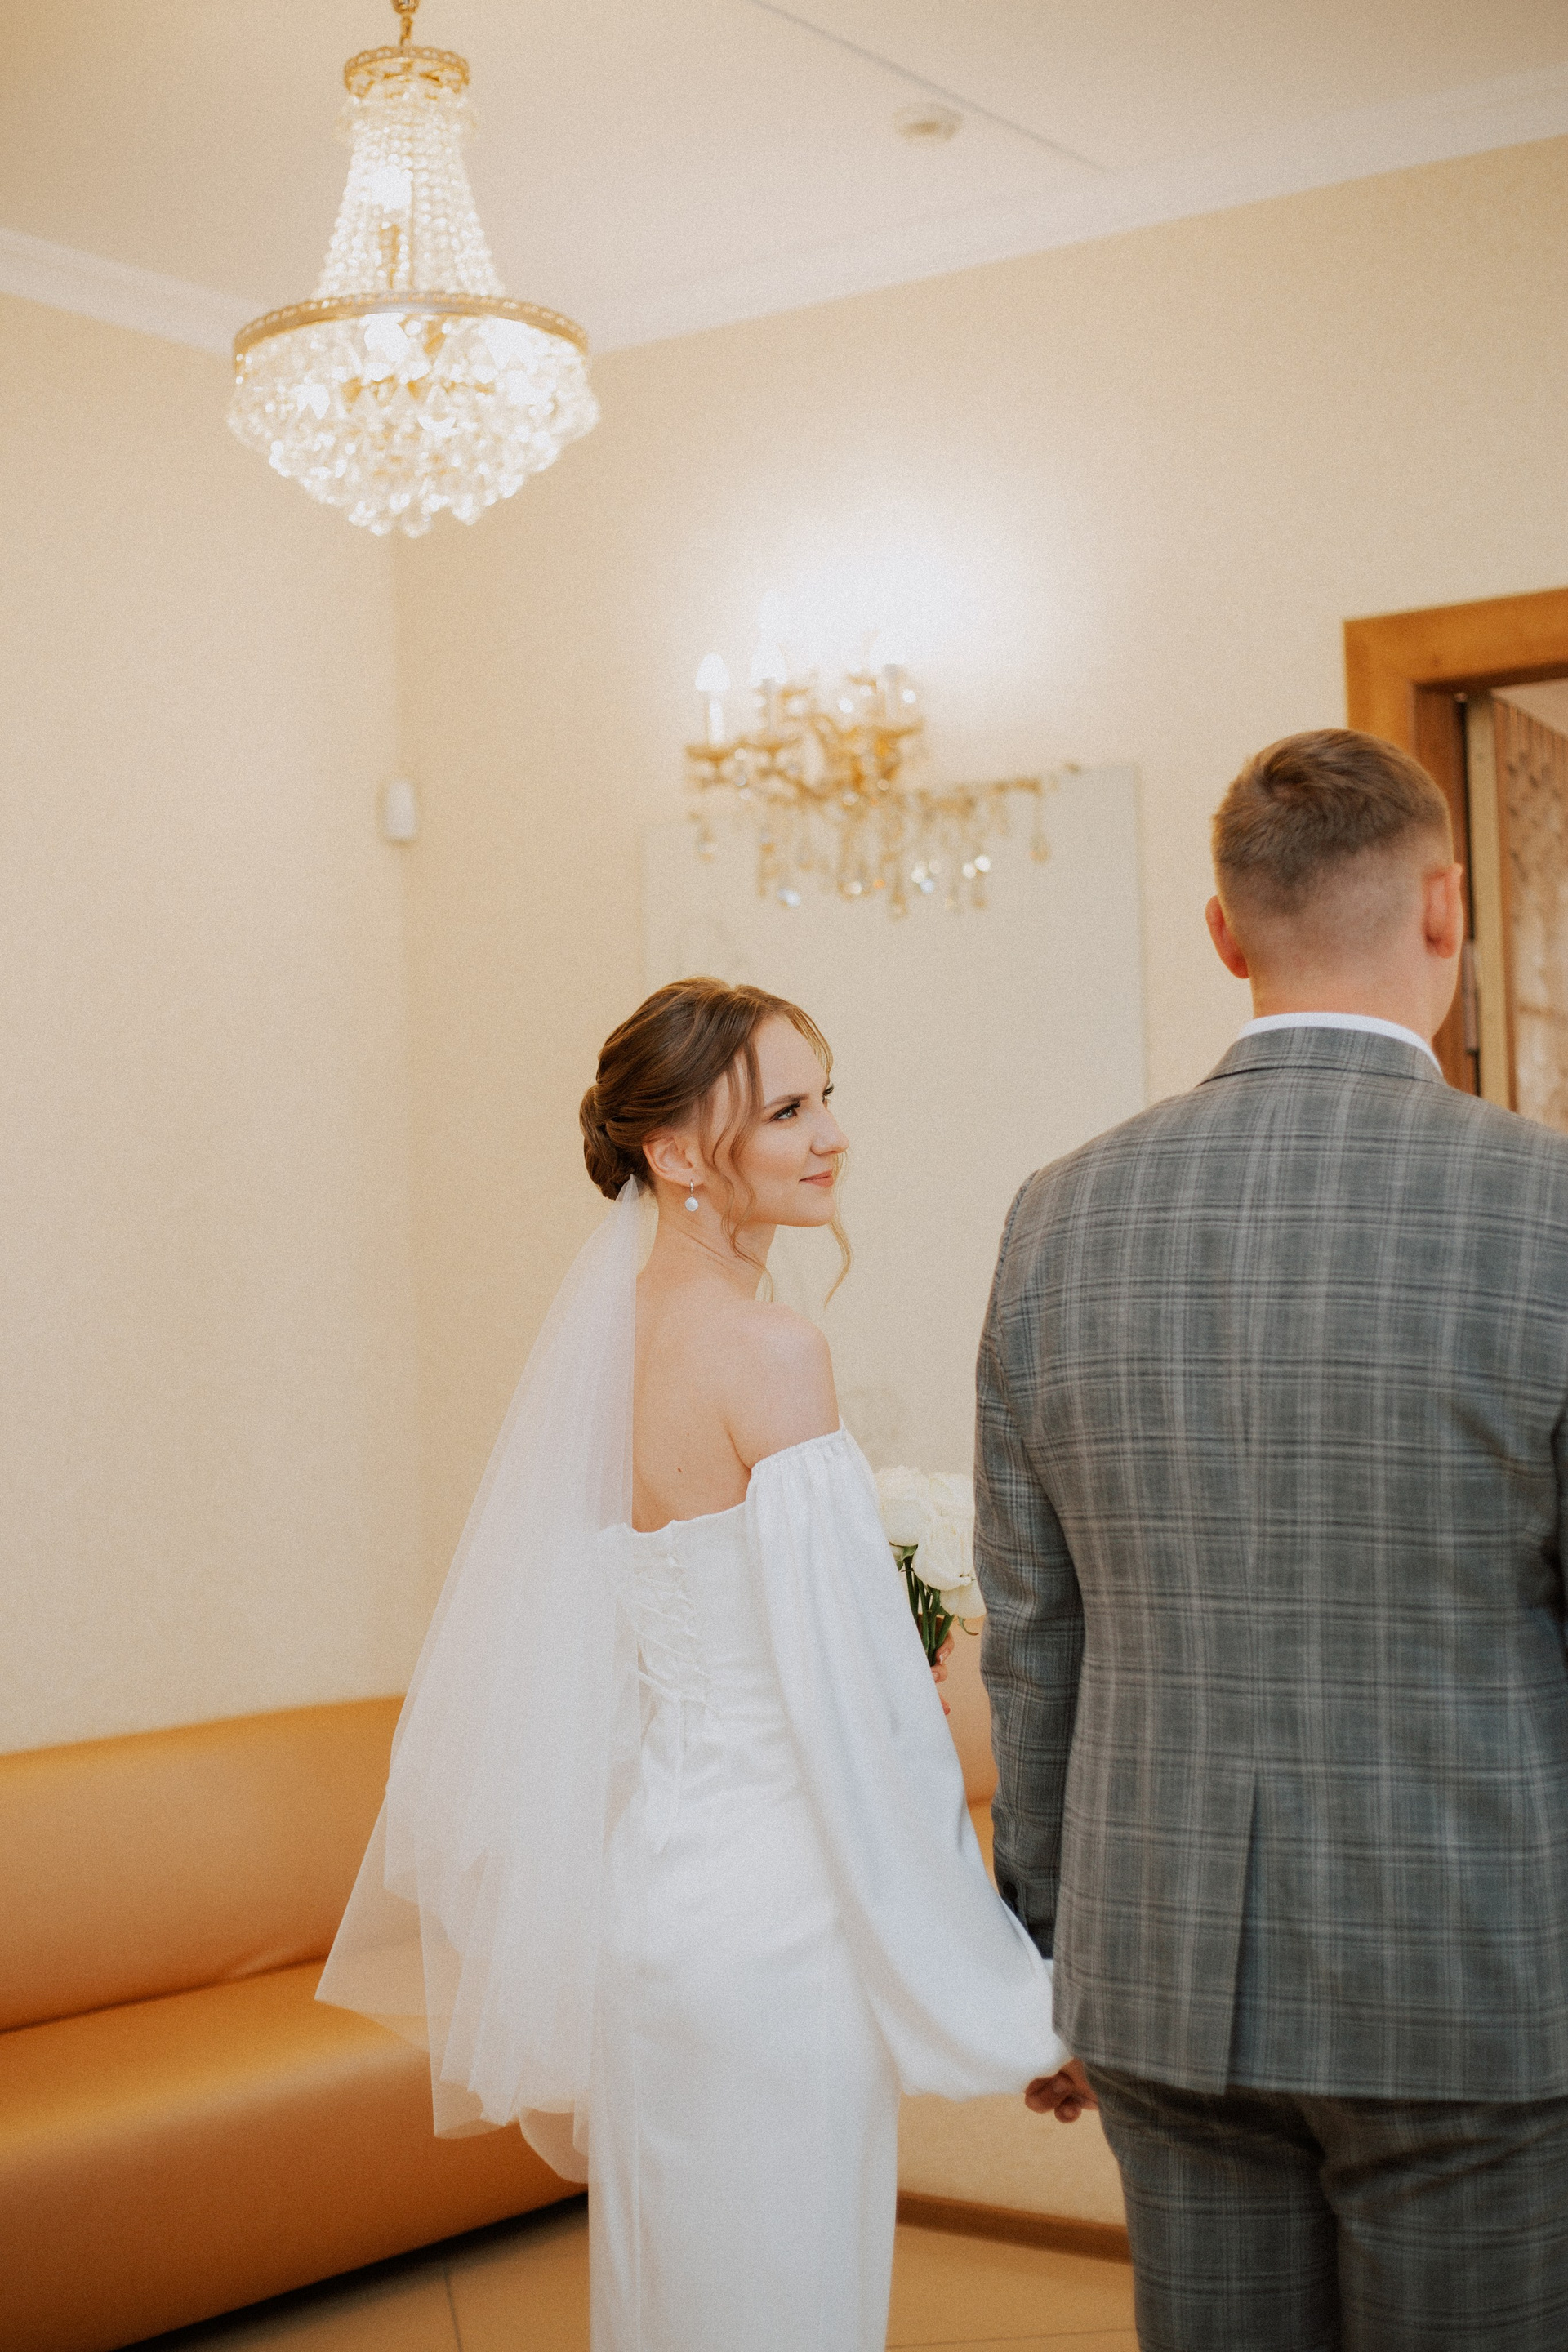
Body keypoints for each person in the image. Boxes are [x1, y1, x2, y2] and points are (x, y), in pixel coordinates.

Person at [319, 976, 1064, 2352]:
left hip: (653, 1900)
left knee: (676, 2294)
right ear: (673, 1152)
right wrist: (1013, 1998)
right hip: (776, 1922)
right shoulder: (770, 1349)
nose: (831, 1135)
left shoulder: (605, 1353)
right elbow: (858, 1726)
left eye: (826, 1097)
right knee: (784, 2301)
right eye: (786, 1111)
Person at [978, 729, 1568, 2350]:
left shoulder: (1059, 1214)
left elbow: (1034, 1636)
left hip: (1160, 1970)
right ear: (1445, 905)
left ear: (1225, 932)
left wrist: (1050, 1945)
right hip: (1476, 1975)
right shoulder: (1546, 1209)